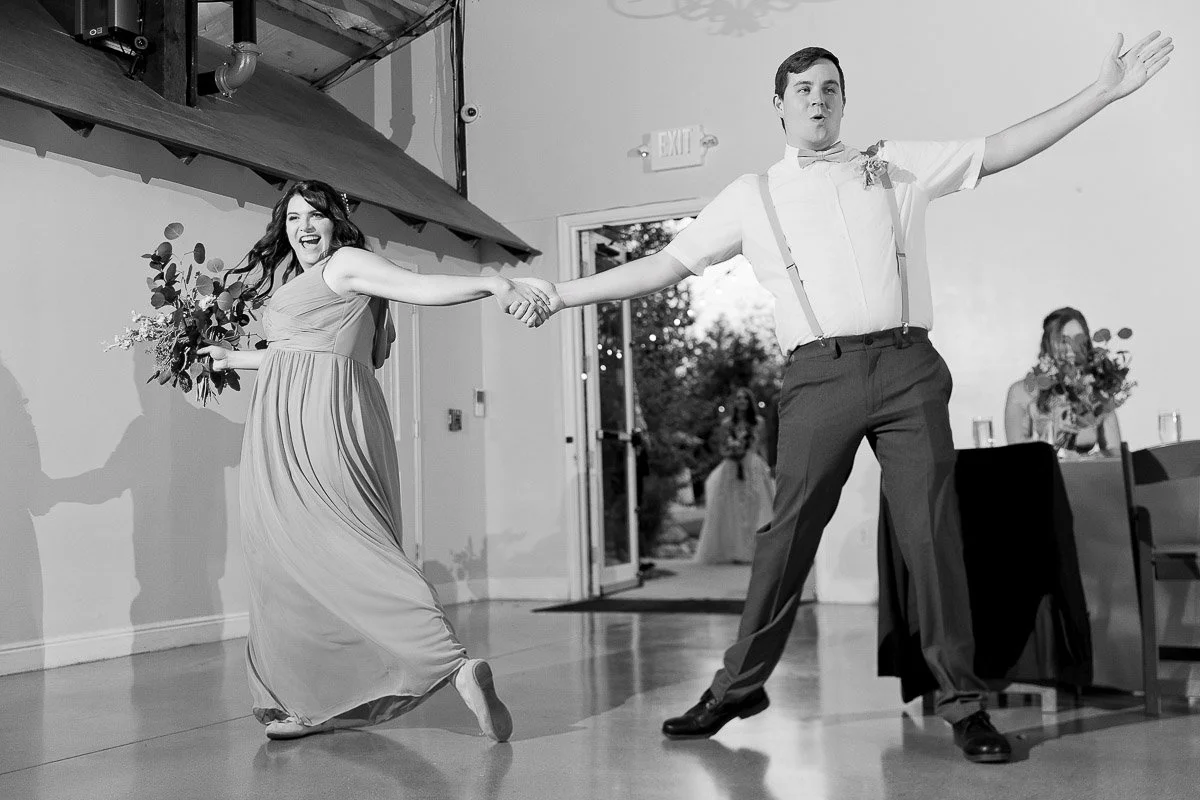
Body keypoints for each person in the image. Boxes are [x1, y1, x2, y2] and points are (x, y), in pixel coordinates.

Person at [513, 33, 1172, 763]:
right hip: (816, 376)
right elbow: (665, 266)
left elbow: (1003, 146)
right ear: (779, 106)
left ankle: (963, 702)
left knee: (933, 535)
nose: (817, 99)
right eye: (803, 89)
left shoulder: (895, 166)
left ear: (843, 100)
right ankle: (738, 686)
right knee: (786, 535)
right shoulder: (751, 196)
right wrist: (561, 294)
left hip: (907, 366)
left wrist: (1102, 92)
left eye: (829, 87)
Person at [199, 180, 549, 741]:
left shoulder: (345, 264)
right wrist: (232, 357)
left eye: (315, 215)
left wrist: (492, 282)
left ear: (337, 221)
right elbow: (294, 355)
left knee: (348, 547)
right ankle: (308, 701)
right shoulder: (306, 279)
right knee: (290, 558)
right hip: (287, 420)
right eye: (293, 219)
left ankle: (450, 664)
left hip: (320, 421)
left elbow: (419, 288)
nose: (304, 227)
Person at [1005, 306, 1122, 454]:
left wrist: (1092, 459)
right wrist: (1051, 436)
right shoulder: (1021, 391)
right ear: (1048, 343)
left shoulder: (1096, 389)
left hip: (1086, 474)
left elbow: (1115, 451)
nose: (1072, 348)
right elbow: (1015, 454)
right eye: (1063, 340)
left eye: (1078, 339)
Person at [693, 388, 775, 564]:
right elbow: (721, 447)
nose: (742, 401)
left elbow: (762, 446)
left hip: (752, 466)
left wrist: (767, 467)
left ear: (749, 401)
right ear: (735, 402)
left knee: (754, 507)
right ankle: (732, 550)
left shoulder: (758, 423)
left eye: (745, 398)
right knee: (731, 509)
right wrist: (732, 451)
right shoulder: (727, 424)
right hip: (731, 467)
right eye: (738, 398)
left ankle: (752, 550)